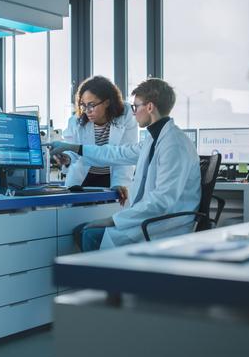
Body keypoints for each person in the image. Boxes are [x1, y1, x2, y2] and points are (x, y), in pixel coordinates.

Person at [49, 78, 200, 251]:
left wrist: (113, 220)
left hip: (165, 225)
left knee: (89, 233)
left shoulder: (174, 144)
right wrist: (74, 148)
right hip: (152, 219)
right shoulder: (155, 139)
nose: (133, 113)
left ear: (150, 107)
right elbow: (117, 153)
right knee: (83, 230)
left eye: (136, 107)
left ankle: (104, 270)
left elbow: (162, 201)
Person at [55, 76, 136, 192]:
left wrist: (120, 184)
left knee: (113, 202)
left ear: (107, 102)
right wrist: (66, 158)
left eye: (91, 105)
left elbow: (125, 154)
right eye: (83, 105)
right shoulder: (76, 121)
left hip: (113, 176)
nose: (87, 110)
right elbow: (73, 150)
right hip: (82, 178)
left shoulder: (125, 115)